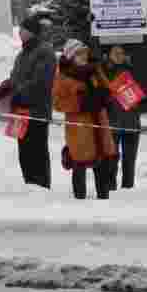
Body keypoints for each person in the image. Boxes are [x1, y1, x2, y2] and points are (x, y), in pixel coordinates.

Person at [52, 39, 118, 200]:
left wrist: (105, 96)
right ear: (71, 56)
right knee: (79, 162)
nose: (83, 57)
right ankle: (79, 200)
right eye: (79, 54)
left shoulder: (94, 70)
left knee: (102, 161)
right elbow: (58, 103)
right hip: (79, 128)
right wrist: (81, 102)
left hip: (98, 123)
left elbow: (108, 89)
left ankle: (104, 198)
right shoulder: (63, 75)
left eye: (84, 53)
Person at [0, 15, 57, 189]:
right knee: (24, 152)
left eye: (24, 29)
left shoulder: (45, 52)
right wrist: (4, 89)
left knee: (37, 151)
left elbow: (40, 83)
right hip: (19, 111)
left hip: (36, 111)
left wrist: (16, 93)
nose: (20, 32)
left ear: (32, 32)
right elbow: (15, 78)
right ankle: (30, 186)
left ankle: (42, 187)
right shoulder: (22, 53)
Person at [97, 44, 142, 189]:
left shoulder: (132, 70)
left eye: (121, 53)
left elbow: (141, 93)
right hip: (112, 121)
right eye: (115, 52)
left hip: (131, 121)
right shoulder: (103, 71)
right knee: (111, 157)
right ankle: (110, 186)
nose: (119, 55)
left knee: (129, 159)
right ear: (109, 54)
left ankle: (128, 186)